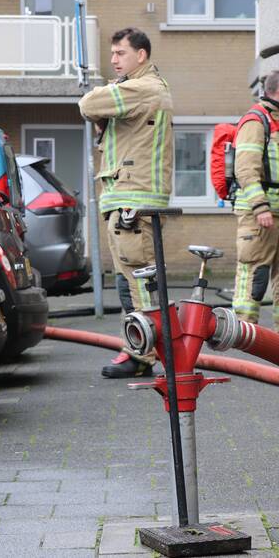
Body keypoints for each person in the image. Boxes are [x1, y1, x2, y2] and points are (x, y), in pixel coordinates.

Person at [79, 27, 173, 377]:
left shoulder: (141, 88)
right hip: (125, 200)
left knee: (140, 283)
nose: (114, 60)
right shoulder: (139, 89)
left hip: (134, 201)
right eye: (113, 53)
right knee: (130, 284)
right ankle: (139, 349)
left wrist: (106, 92)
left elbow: (88, 104)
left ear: (141, 55)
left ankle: (144, 354)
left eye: (121, 53)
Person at [231, 70, 279, 343]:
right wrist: (260, 207)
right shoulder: (256, 121)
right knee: (255, 271)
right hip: (260, 214)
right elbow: (246, 169)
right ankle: (242, 332)